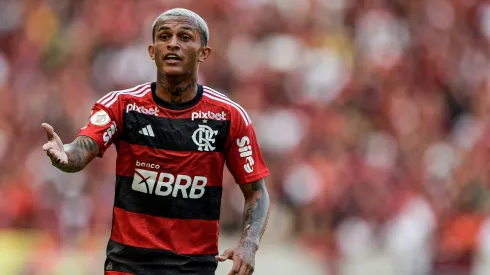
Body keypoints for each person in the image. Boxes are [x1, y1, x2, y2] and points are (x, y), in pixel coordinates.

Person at [41, 8, 270, 275]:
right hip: (128, 265)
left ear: (204, 53)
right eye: (164, 36)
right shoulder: (123, 105)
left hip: (192, 267)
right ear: (152, 51)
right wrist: (66, 155)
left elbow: (256, 191)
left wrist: (249, 244)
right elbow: (82, 148)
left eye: (185, 37)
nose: (173, 43)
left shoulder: (229, 116)